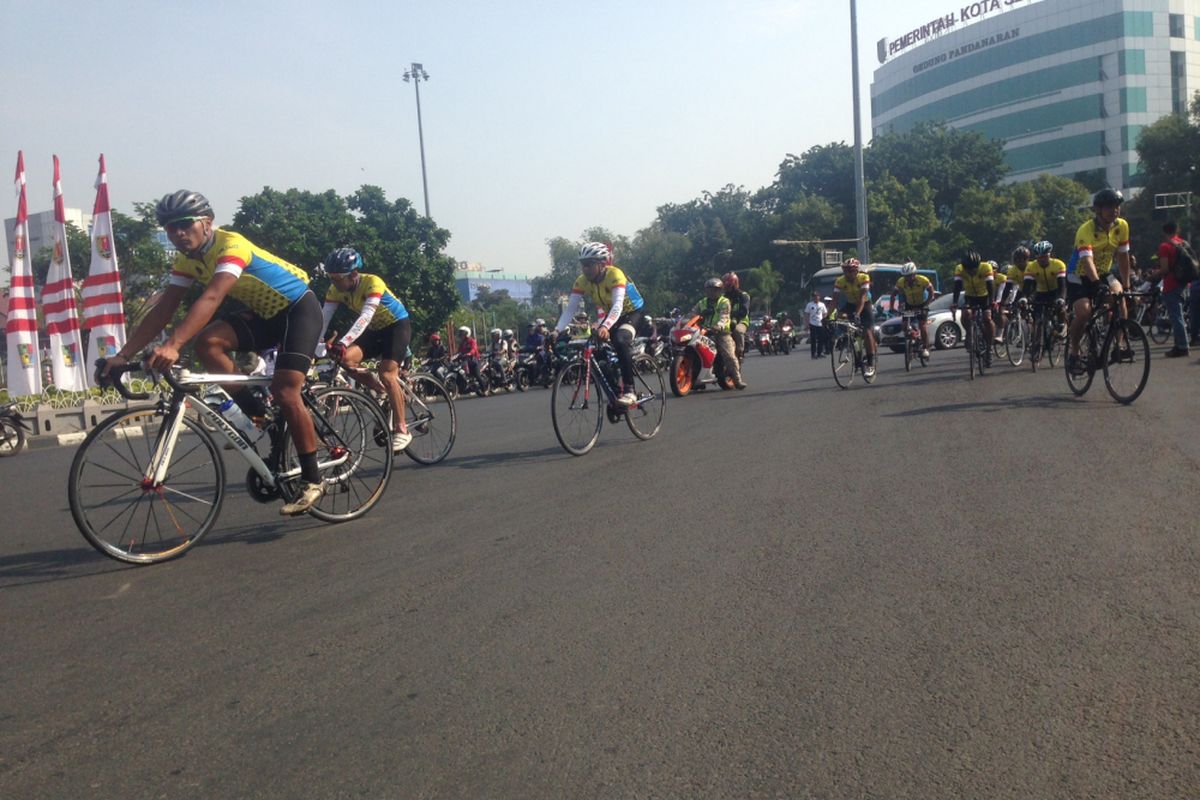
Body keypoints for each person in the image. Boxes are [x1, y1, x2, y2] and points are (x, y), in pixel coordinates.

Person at [100, 190, 325, 515]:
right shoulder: (187, 260)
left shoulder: (231, 246)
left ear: (207, 223)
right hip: (264, 316)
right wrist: (122, 355)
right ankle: (261, 415)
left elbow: (212, 298)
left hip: (298, 310)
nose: (177, 233)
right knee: (207, 344)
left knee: (287, 391)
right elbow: (163, 309)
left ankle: (313, 479)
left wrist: (173, 344)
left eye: (184, 224)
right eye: (169, 227)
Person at [318, 247, 412, 453]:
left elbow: (365, 317)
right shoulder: (335, 290)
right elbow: (323, 319)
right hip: (375, 330)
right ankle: (380, 392)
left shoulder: (373, 282)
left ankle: (402, 429)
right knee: (346, 360)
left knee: (387, 373)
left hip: (396, 326)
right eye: (330, 277)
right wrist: (315, 343)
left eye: (337, 278)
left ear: (353, 274)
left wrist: (343, 341)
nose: (333, 282)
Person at [555, 242, 645, 406]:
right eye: (583, 265)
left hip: (632, 313)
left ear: (602, 264)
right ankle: (615, 395)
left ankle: (630, 390)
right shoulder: (582, 281)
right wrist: (556, 331)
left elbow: (618, 305)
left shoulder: (615, 275)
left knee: (620, 340)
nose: (585, 269)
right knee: (595, 352)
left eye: (589, 265)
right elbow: (569, 310)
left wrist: (605, 326)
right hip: (612, 316)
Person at [1067, 188, 1130, 372]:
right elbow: (1086, 260)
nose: (1115, 210)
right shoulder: (1085, 230)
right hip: (1078, 275)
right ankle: (1074, 353)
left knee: (1121, 299)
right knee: (1084, 313)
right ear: (1098, 210)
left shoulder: (1122, 226)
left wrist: (1126, 284)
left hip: (1103, 273)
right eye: (1110, 207)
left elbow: (1123, 257)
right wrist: (1096, 284)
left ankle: (1118, 346)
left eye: (1117, 206)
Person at [691, 277, 746, 389]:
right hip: (703, 332)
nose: (711, 292)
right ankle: (697, 378)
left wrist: (718, 326)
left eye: (715, 290)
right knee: (693, 351)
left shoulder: (724, 302)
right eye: (709, 289)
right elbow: (691, 315)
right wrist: (683, 321)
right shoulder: (702, 302)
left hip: (721, 333)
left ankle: (737, 379)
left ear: (720, 291)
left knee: (729, 356)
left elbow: (725, 317)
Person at [951, 249, 996, 366]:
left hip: (984, 296)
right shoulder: (959, 269)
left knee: (987, 318)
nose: (971, 272)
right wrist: (955, 302)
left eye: (973, 269)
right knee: (965, 313)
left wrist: (991, 302)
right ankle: (969, 334)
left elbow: (990, 286)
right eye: (968, 270)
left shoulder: (986, 267)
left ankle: (990, 347)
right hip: (969, 296)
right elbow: (957, 287)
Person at [1154, 221, 1192, 357]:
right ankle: (1178, 345)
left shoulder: (1165, 246)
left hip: (1171, 284)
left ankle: (1182, 346)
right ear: (1177, 230)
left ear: (1164, 232)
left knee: (1176, 316)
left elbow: (1164, 269)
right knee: (1179, 315)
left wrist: (1154, 275)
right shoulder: (1184, 243)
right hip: (1184, 283)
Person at [832, 257, 876, 372]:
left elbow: (862, 298)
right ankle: (851, 341)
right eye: (845, 271)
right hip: (850, 304)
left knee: (867, 331)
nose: (847, 273)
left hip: (865, 304)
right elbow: (834, 301)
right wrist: (827, 316)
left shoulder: (863, 277)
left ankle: (871, 363)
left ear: (856, 271)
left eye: (850, 271)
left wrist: (857, 314)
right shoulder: (840, 281)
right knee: (841, 317)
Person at [1021, 240, 1068, 337]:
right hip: (1041, 292)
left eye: (1044, 257)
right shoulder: (1031, 266)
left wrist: (1061, 298)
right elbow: (1027, 286)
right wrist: (1024, 297)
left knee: (1060, 307)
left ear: (1049, 255)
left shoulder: (1059, 264)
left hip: (1056, 290)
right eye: (1039, 257)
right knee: (1036, 315)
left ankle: (1062, 325)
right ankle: (1037, 340)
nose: (1042, 259)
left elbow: (1062, 285)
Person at [889, 261, 933, 359]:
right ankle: (914, 334)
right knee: (904, 326)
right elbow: (893, 295)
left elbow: (931, 293)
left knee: (923, 325)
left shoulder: (923, 280)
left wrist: (926, 304)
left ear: (914, 274)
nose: (908, 278)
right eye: (905, 276)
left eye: (909, 276)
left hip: (922, 304)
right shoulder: (901, 282)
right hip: (910, 305)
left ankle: (925, 348)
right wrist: (892, 307)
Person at [723, 272, 751, 363]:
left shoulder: (743, 295)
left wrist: (733, 316)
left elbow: (744, 311)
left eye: (729, 286)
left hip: (741, 321)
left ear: (735, 284)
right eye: (725, 286)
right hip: (725, 321)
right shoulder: (723, 298)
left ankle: (740, 352)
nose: (727, 288)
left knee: (737, 331)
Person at [803, 291, 828, 358]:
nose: (815, 297)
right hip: (812, 324)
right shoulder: (809, 305)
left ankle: (820, 353)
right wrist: (807, 324)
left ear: (819, 297)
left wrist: (824, 321)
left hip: (820, 324)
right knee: (813, 339)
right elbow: (807, 314)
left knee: (821, 339)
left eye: (816, 296)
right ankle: (813, 354)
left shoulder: (822, 305)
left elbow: (824, 313)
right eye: (814, 296)